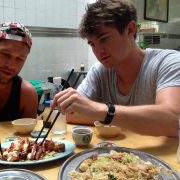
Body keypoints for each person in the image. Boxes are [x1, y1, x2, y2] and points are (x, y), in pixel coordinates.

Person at [52, 0, 180, 137]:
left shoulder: (168, 62)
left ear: (130, 29)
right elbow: (71, 115)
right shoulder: (100, 71)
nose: (98, 52)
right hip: (117, 155)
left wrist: (101, 111)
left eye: (104, 39)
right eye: (92, 44)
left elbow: (172, 121)